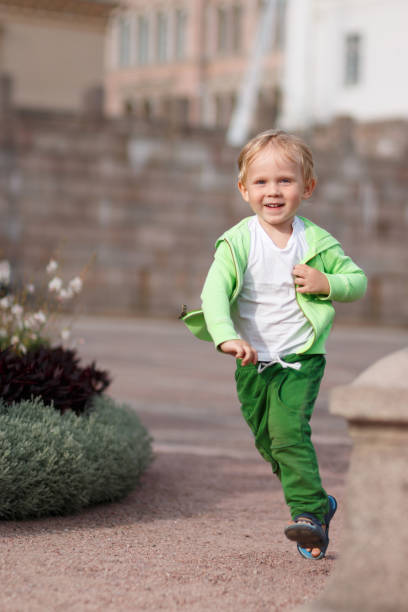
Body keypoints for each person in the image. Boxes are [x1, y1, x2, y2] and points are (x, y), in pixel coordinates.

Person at [181, 129, 367, 559]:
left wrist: (329, 283)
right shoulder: (238, 242)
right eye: (261, 182)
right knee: (268, 440)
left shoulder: (316, 242)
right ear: (243, 189)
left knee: (287, 434)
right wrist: (227, 336)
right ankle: (320, 504)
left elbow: (357, 282)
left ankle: (307, 517)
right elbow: (213, 294)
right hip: (252, 362)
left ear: (308, 187)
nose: (274, 191)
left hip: (300, 359)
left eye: (285, 180)